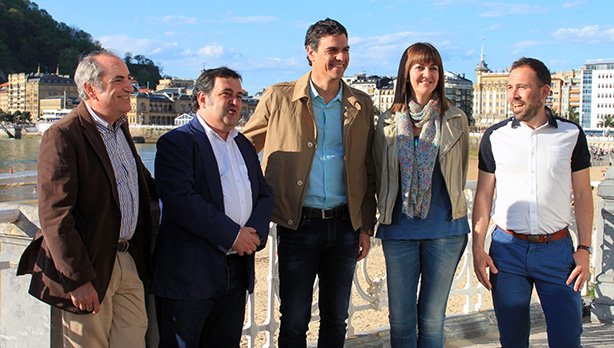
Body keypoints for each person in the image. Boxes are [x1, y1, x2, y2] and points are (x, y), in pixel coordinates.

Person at [242, 18, 376, 348]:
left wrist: (365, 225)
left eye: (345, 50)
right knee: (295, 319)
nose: (341, 58)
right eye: (332, 50)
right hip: (297, 224)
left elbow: (369, 168)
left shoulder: (361, 103)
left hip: (345, 226)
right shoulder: (279, 97)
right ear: (310, 53)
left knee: (336, 318)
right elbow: (243, 149)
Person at [17, 50, 156, 347]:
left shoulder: (120, 129)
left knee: (134, 341)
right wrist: (78, 279)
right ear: (92, 89)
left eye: (129, 78)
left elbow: (144, 186)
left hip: (127, 260)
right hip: (90, 265)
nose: (130, 87)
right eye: (119, 80)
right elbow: (55, 216)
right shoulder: (63, 134)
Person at [472, 57, 593, 348]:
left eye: (522, 87)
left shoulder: (571, 134)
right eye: (510, 87)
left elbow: (584, 194)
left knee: (567, 340)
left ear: (544, 91)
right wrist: (477, 247)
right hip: (507, 251)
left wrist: (585, 249)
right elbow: (484, 195)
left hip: (557, 251)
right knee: (512, 340)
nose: (513, 94)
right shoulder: (495, 136)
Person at [150, 67, 274, 348]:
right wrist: (233, 235)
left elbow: (264, 194)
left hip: (237, 270)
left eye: (240, 96)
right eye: (226, 94)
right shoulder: (177, 142)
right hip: (190, 274)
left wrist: (253, 233)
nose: (235, 102)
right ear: (202, 99)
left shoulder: (243, 144)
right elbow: (182, 200)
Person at [372, 43, 470, 347]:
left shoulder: (455, 120)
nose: (427, 74)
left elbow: (461, 170)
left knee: (431, 322)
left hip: (445, 230)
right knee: (401, 324)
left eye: (433, 68)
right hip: (399, 231)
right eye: (419, 67)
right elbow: (377, 173)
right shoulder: (387, 122)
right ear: (406, 73)